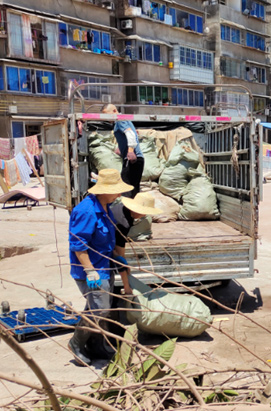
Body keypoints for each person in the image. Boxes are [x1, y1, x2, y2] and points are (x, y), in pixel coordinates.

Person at [68, 169, 133, 366]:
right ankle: (76, 343)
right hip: (92, 272)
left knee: (98, 307)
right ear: (104, 190)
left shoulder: (106, 206)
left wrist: (118, 260)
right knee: (99, 309)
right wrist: (90, 271)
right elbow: (78, 245)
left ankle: (97, 345)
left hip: (104, 267)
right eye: (117, 191)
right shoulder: (86, 211)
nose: (119, 194)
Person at [110, 192, 162, 295]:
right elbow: (120, 257)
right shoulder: (123, 223)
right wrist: (126, 286)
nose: (144, 215)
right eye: (144, 212)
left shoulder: (122, 208)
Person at [101, 104, 144, 197]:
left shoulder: (120, 119)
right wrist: (120, 149)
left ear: (114, 111)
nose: (106, 118)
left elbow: (130, 134)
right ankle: (133, 210)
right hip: (135, 160)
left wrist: (131, 151)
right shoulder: (121, 120)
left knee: (126, 189)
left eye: (107, 115)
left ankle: (128, 210)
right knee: (132, 189)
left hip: (133, 160)